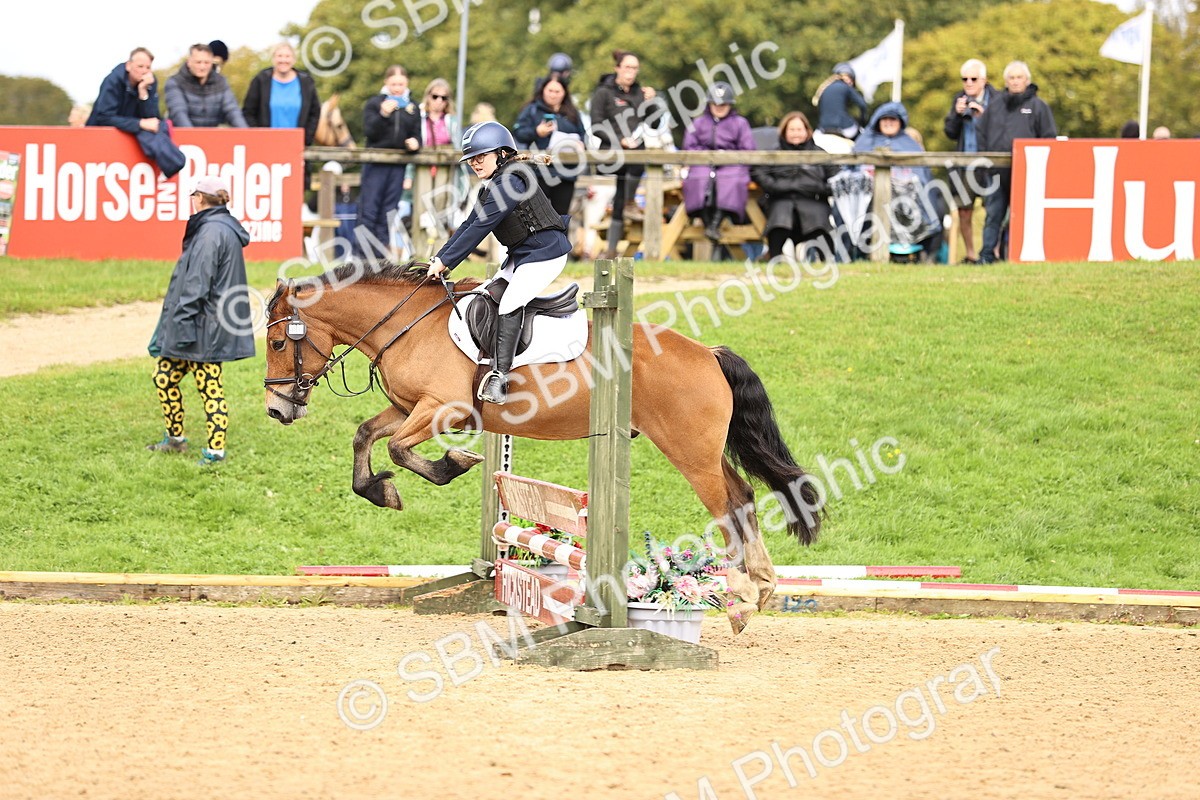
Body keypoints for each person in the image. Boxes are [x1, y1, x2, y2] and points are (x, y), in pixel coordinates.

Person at [425, 121, 570, 405]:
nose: (474, 164)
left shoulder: (511, 182)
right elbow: (468, 224)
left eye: (481, 157)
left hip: (546, 254)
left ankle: (500, 377)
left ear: (502, 154)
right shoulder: (494, 185)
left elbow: (480, 228)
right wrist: (440, 259)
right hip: (523, 255)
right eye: (471, 160)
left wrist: (446, 261)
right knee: (487, 296)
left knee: (510, 303)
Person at [147, 175, 254, 466]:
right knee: (164, 378)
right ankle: (175, 440)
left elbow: (197, 284)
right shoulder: (218, 227)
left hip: (201, 328)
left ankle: (215, 452)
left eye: (193, 195)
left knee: (210, 388)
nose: (191, 200)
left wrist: (179, 323)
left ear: (200, 199)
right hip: (199, 325)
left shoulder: (210, 232)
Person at [976, 60, 1056, 263]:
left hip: (1028, 174)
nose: (1015, 81)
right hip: (997, 172)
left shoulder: (1038, 107)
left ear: (1027, 80)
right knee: (993, 214)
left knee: (1024, 216)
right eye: (1011, 77)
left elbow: (1049, 138)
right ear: (1006, 81)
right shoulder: (995, 106)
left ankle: (1018, 254)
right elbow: (981, 133)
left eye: (1019, 77)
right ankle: (987, 254)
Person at [853, 102, 944, 261]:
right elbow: (853, 170)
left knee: (932, 206)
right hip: (870, 201)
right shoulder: (865, 141)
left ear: (900, 122)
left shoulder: (909, 144)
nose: (888, 122)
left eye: (893, 119)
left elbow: (922, 177)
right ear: (877, 121)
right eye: (885, 119)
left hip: (906, 203)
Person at [590, 49, 657, 259]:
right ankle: (629, 204)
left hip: (635, 154)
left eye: (635, 68)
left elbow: (653, 124)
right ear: (617, 68)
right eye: (627, 67)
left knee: (621, 198)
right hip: (610, 154)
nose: (631, 71)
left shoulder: (640, 93)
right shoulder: (603, 93)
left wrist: (651, 102)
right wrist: (619, 139)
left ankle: (611, 252)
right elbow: (596, 126)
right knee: (620, 196)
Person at [751, 111, 838, 262]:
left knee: (819, 225)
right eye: (792, 129)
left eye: (799, 129)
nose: (796, 133)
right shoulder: (774, 154)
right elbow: (758, 172)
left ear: (807, 131)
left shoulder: (820, 154)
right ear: (784, 131)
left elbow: (836, 179)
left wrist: (816, 187)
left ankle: (827, 261)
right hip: (781, 200)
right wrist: (780, 186)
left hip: (814, 201)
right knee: (779, 223)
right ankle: (774, 259)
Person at [355, 65, 421, 260]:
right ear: (386, 83)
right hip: (375, 163)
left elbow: (417, 134)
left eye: (401, 84)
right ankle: (362, 257)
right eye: (393, 84)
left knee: (388, 212)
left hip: (398, 165)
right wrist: (382, 115)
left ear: (406, 83)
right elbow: (369, 132)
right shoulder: (375, 103)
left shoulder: (412, 107)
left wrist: (415, 143)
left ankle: (380, 259)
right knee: (369, 210)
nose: (397, 88)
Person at [681, 82, 755, 244]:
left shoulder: (740, 123)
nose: (719, 107)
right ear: (709, 104)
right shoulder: (698, 123)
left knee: (731, 179)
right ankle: (709, 224)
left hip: (731, 166)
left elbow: (747, 149)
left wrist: (727, 156)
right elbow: (689, 147)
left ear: (730, 105)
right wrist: (708, 156)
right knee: (698, 178)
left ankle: (715, 223)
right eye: (715, 103)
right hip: (703, 165)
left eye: (723, 104)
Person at [943, 58, 1000, 264]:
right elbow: (949, 132)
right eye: (964, 79)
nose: (968, 83)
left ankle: (992, 253)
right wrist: (957, 115)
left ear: (984, 80)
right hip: (965, 166)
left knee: (993, 211)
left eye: (973, 78)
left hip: (991, 165)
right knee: (964, 210)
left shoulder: (997, 100)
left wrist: (984, 117)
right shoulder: (959, 99)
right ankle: (970, 254)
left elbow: (1001, 132)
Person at [513, 77, 587, 215]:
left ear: (564, 93)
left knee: (561, 217)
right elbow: (519, 132)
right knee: (537, 216)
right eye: (550, 90)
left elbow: (583, 134)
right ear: (543, 91)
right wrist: (536, 132)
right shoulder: (532, 110)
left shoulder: (572, 112)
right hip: (539, 172)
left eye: (557, 91)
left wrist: (581, 144)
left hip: (565, 173)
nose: (553, 94)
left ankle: (561, 238)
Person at [242, 42, 321, 146]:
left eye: (287, 56)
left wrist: (306, 139)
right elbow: (248, 112)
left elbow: (315, 112)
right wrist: (258, 137)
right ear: (273, 59)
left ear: (293, 59)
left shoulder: (306, 82)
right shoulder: (261, 80)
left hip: (297, 145)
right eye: (279, 56)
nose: (283, 60)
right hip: (266, 145)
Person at [417, 77, 465, 235]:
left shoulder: (451, 121)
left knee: (442, 208)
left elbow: (458, 147)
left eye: (443, 98)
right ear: (428, 97)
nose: (439, 101)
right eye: (435, 96)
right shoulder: (419, 118)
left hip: (445, 171)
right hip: (422, 169)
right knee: (421, 210)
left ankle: (439, 248)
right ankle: (419, 249)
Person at [165, 43, 247, 128]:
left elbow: (232, 110)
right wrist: (192, 136)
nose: (202, 66)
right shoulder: (175, 82)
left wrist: (245, 134)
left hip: (210, 136)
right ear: (189, 62)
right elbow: (178, 113)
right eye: (198, 62)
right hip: (182, 137)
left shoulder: (221, 82)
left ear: (212, 63)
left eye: (206, 62)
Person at [87, 47, 161, 134]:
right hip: (101, 136)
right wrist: (139, 123)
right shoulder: (113, 81)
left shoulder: (150, 83)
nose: (144, 71)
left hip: (131, 138)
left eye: (148, 67)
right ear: (128, 66)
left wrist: (143, 93)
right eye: (140, 66)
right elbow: (104, 117)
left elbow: (153, 120)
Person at [813, 63, 868, 139]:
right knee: (862, 137)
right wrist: (862, 121)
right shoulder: (846, 87)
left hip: (822, 128)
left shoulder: (824, 88)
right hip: (844, 127)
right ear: (850, 78)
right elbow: (862, 104)